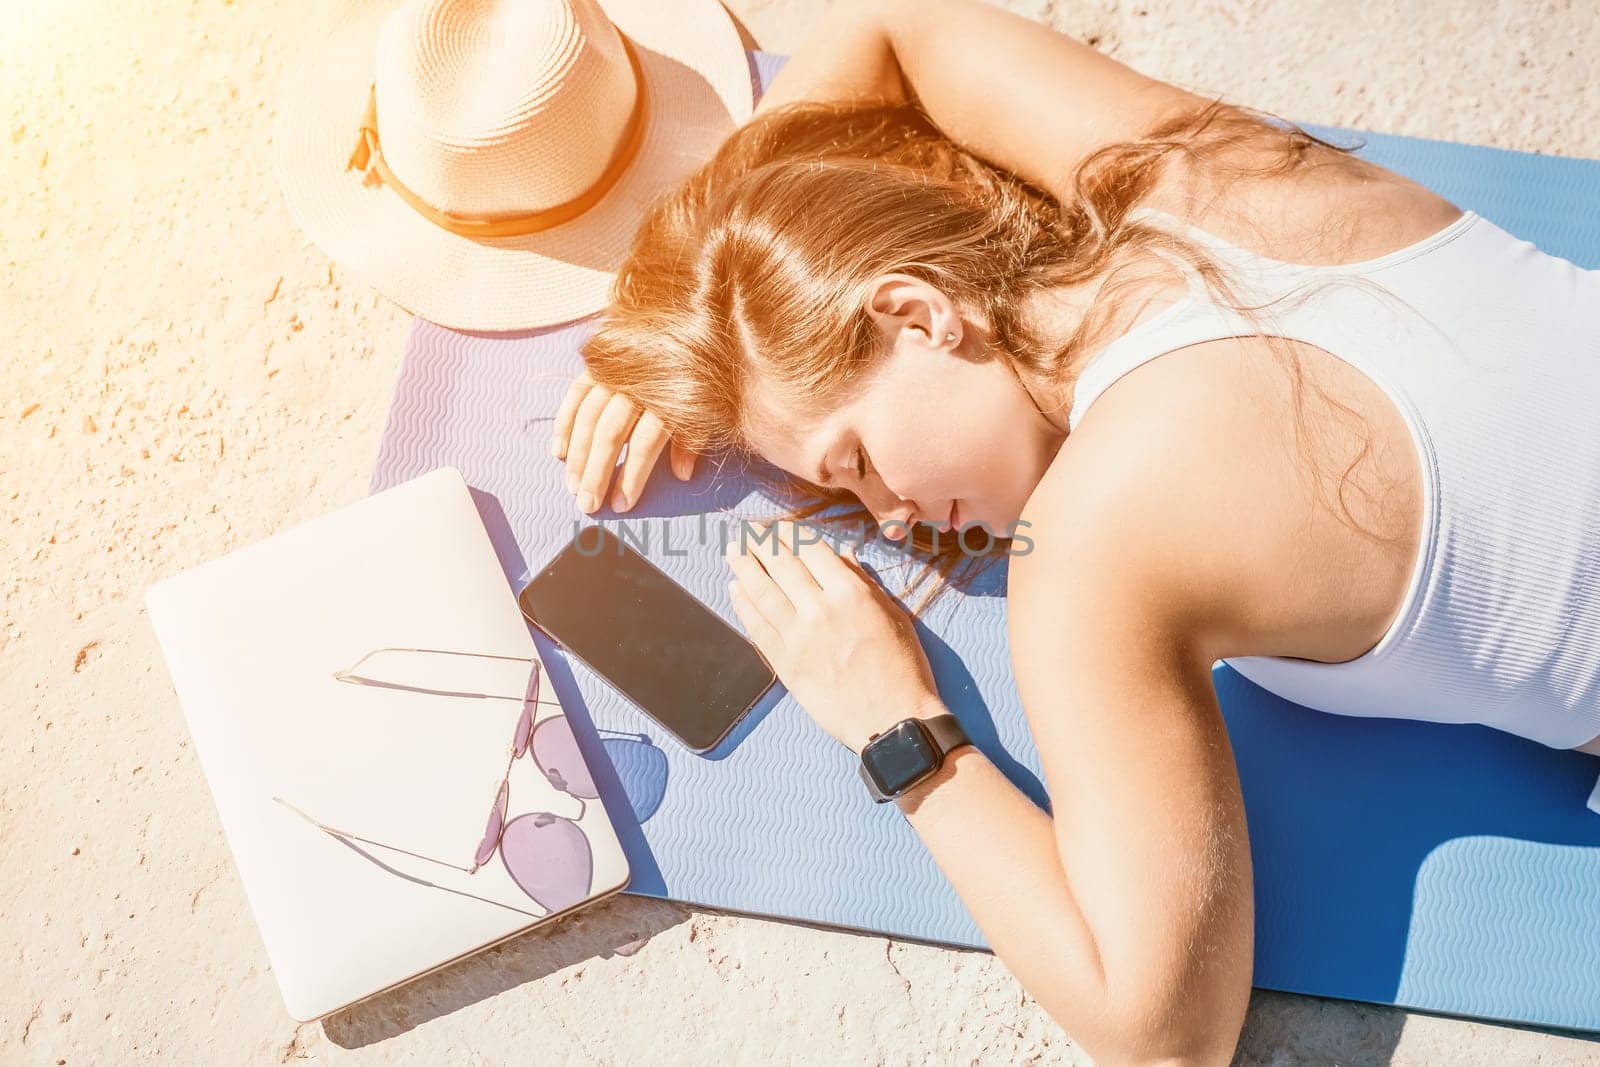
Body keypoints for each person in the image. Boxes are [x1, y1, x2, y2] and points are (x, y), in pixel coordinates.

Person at [549, 1, 1600, 1062]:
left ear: (914, 312)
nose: (892, 518)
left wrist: (895, 725)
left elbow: (1165, 1033)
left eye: (855, 462)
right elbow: (893, 25)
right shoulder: (1192, 170)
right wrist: (715, 300)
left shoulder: (1095, 549)